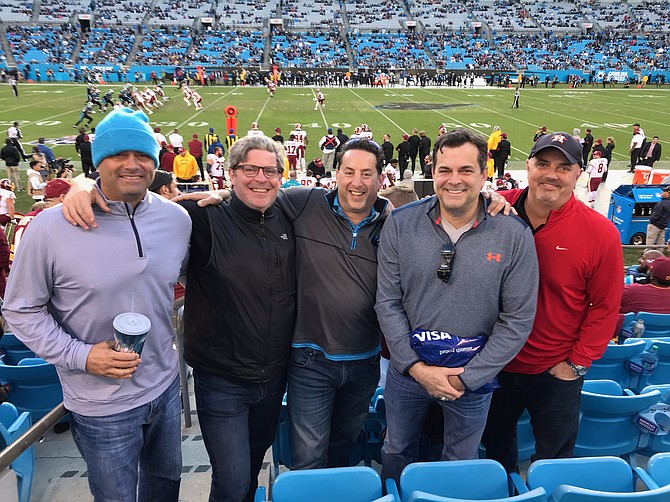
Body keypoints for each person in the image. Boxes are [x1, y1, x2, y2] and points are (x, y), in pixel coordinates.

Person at [3, 108, 191, 502]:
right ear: (97, 162)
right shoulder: (49, 229)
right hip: (99, 403)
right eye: (118, 155)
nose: (131, 165)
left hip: (164, 387)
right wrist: (82, 355)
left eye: (142, 155)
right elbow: (20, 309)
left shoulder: (177, 220)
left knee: (166, 489)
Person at [375, 128, 539, 484]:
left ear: (484, 174)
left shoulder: (513, 234)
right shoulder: (402, 224)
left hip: (471, 375)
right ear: (433, 171)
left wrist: (470, 377)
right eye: (444, 170)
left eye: (466, 170)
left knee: (459, 459)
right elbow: (387, 302)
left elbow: (518, 319)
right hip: (409, 372)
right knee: (396, 448)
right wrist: (417, 368)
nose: (454, 180)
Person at [481, 132, 624, 474]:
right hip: (492, 364)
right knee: (495, 451)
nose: (551, 174)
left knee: (555, 458)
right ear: (527, 166)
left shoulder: (600, 233)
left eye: (563, 167)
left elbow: (605, 306)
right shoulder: (489, 212)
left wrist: (576, 363)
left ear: (579, 174)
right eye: (543, 163)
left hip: (554, 369)